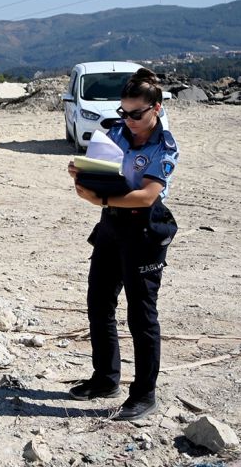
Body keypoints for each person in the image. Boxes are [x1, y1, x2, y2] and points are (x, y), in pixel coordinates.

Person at [66, 68, 179, 421]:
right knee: (99, 303)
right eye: (123, 112)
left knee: (141, 315)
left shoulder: (164, 145)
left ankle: (144, 394)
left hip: (143, 231)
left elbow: (146, 196)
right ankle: (105, 378)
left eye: (136, 113)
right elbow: (100, 167)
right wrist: (80, 173)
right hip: (111, 226)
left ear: (156, 109)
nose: (128, 120)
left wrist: (101, 201)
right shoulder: (115, 132)